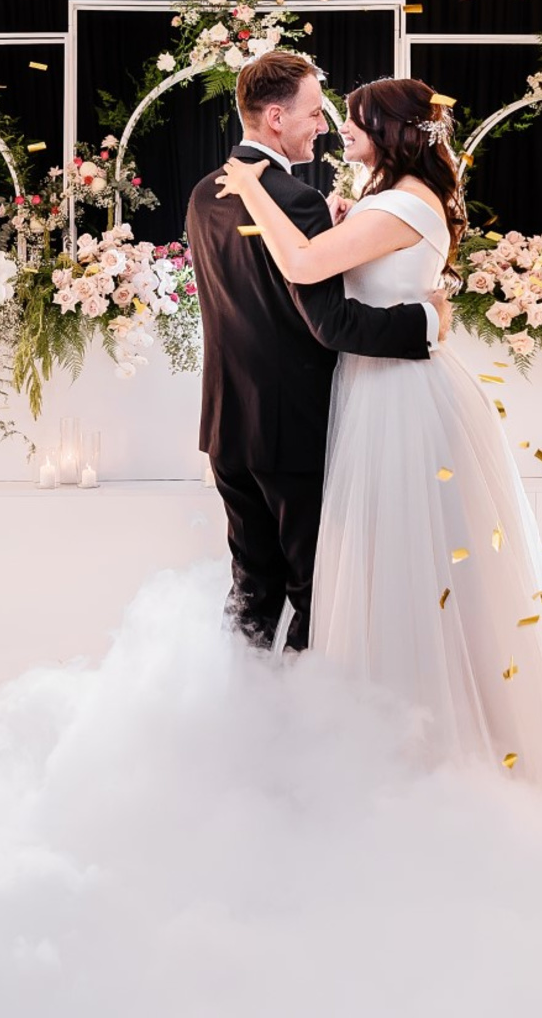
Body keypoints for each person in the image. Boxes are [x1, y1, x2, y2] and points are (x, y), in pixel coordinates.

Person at [215, 76, 542, 793]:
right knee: (378, 560)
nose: (339, 129)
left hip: (402, 395)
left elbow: (302, 264)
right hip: (371, 386)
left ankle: (427, 738)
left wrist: (253, 187)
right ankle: (371, 723)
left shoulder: (408, 200)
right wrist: (348, 216)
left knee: (410, 560)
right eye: (334, 116)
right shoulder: (392, 199)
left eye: (352, 120)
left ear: (390, 132)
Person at [185, 52, 443, 658]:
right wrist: (425, 322)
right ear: (275, 117)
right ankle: (307, 721)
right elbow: (327, 323)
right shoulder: (295, 201)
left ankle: (240, 705)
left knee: (251, 584)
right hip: (293, 427)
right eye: (312, 112)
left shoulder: (205, 192)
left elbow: (251, 302)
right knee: (315, 584)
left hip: (229, 423)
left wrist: (328, 231)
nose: (323, 125)